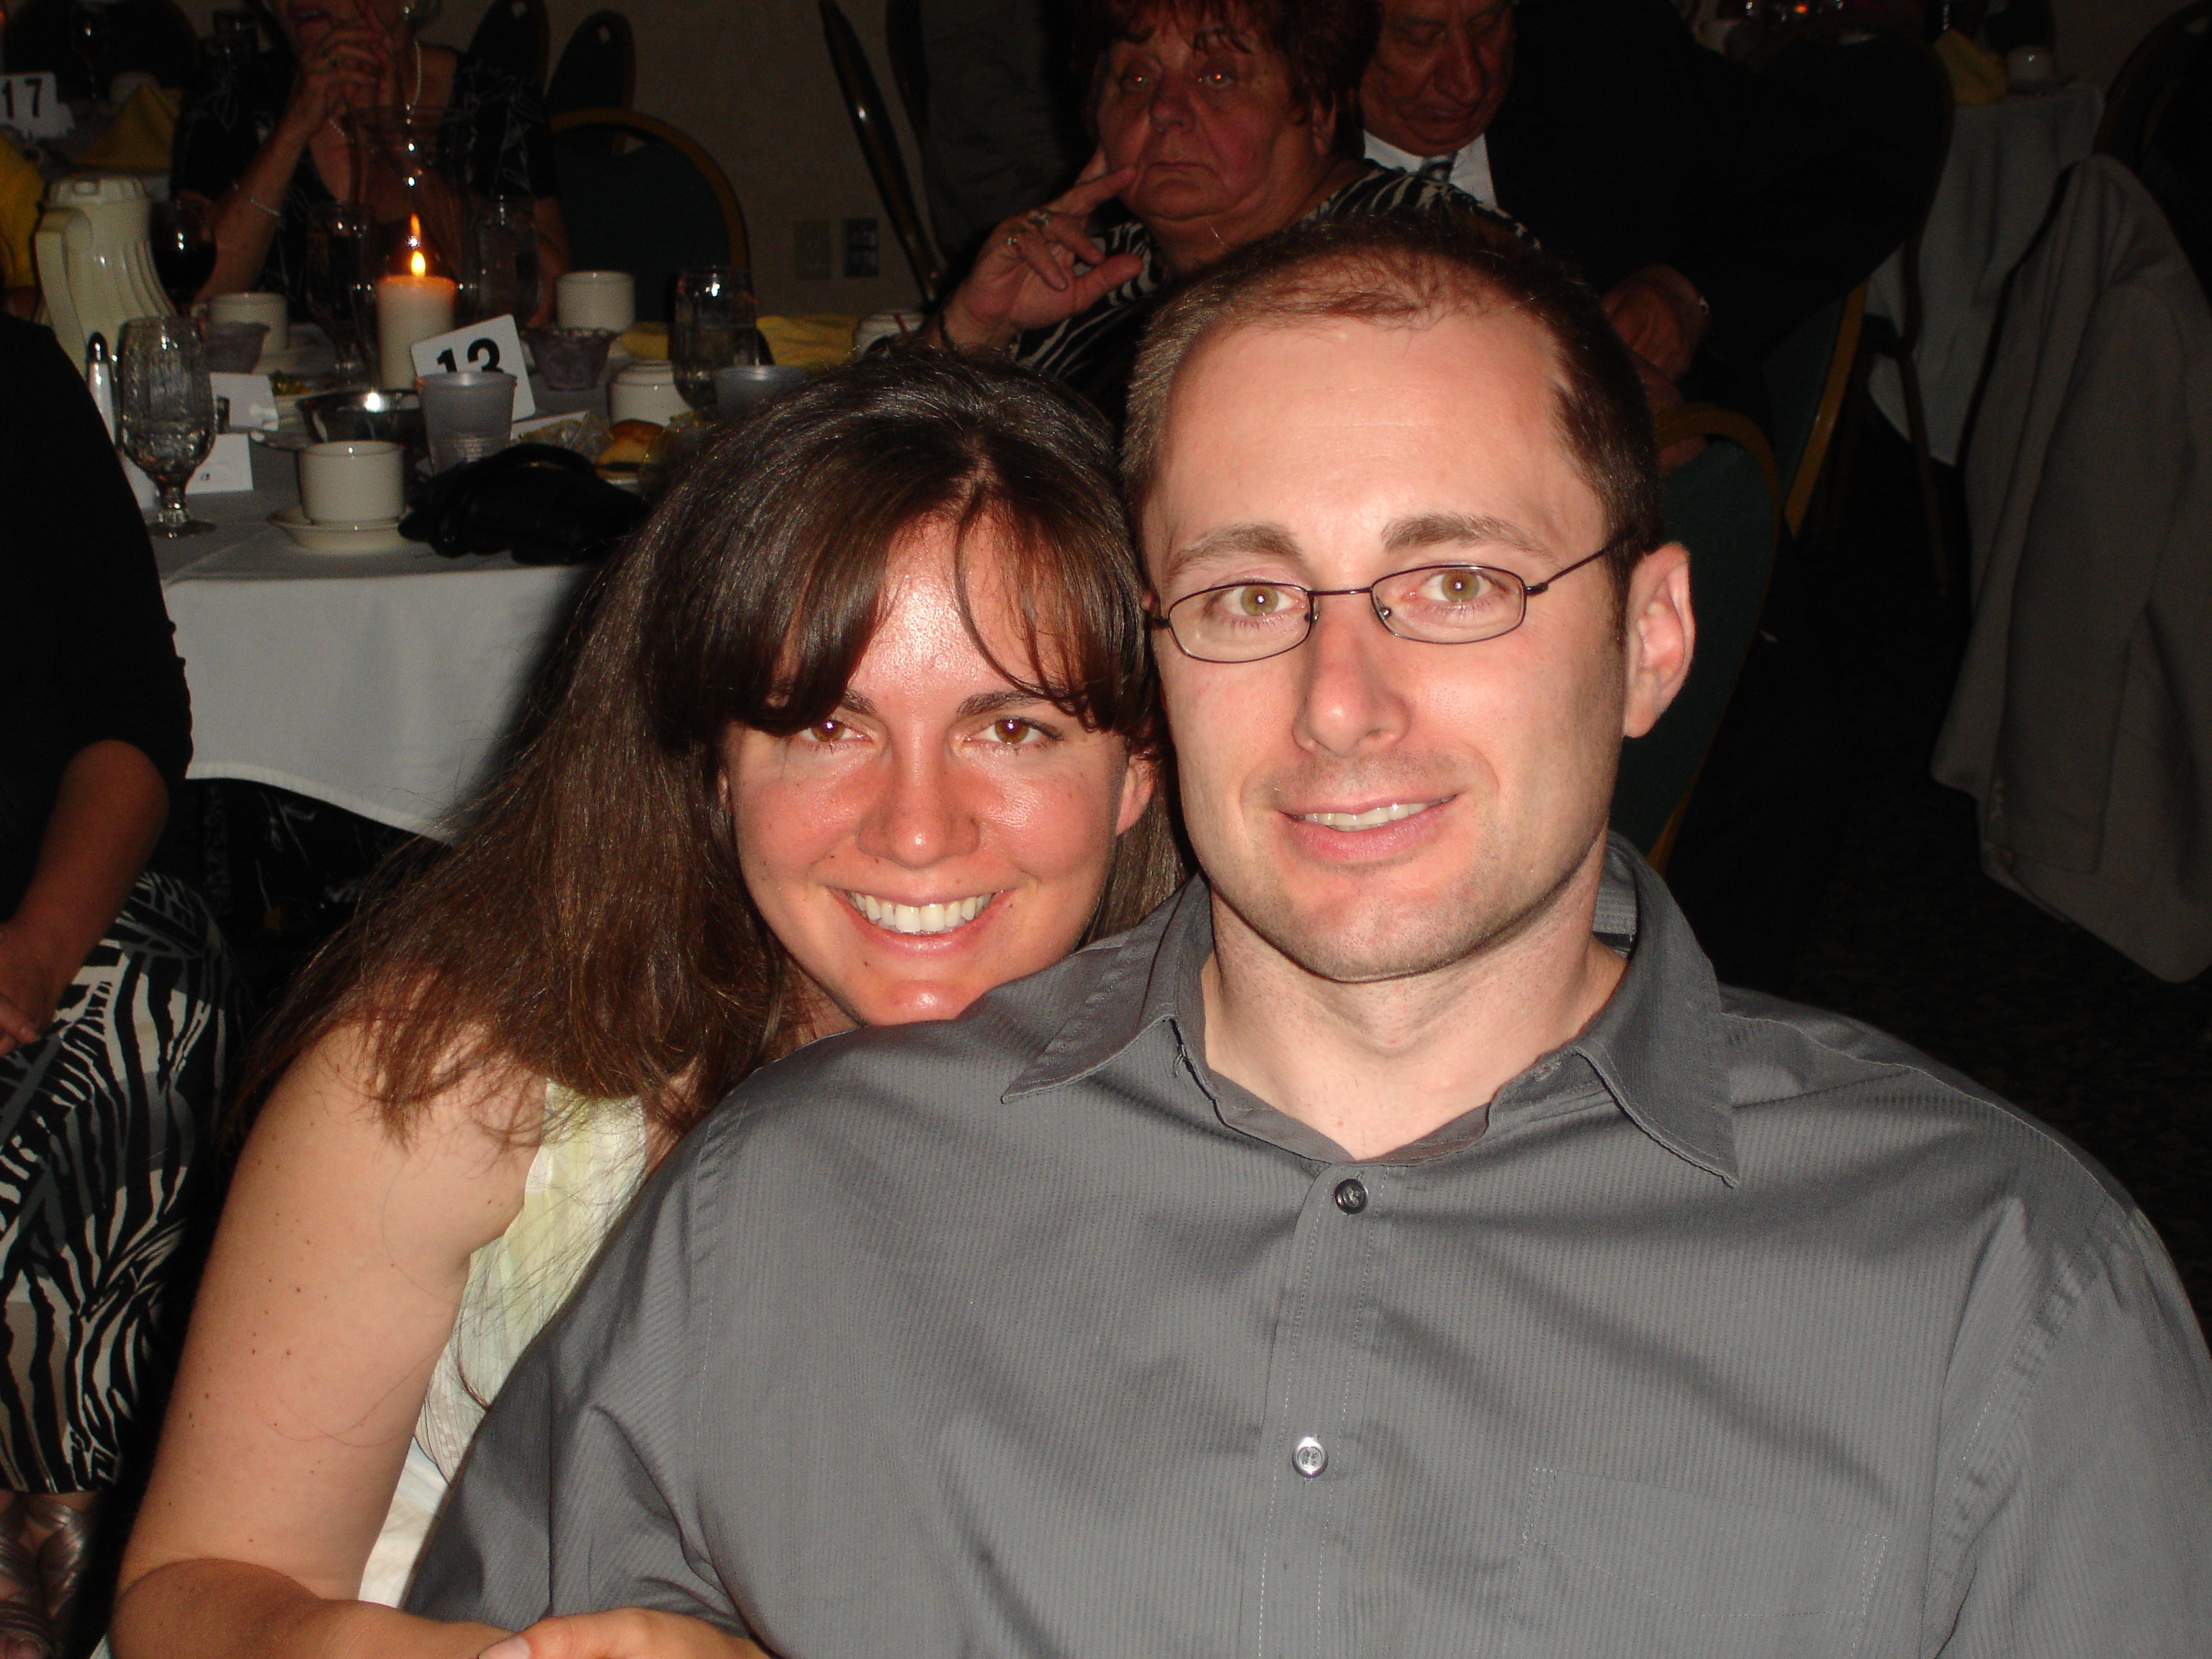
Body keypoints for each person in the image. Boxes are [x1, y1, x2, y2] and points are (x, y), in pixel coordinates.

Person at [408, 214, 2212, 1655]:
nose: (1341, 702)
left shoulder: (1994, 1301)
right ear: (1154, 661)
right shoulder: (793, 1213)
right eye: (1247, 593)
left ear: (1650, 640)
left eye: (1455, 582)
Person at [108, 352, 1178, 1659]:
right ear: (714, 762)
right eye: (826, 725)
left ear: (1137, 769)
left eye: (1011, 729)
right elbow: (196, 1591)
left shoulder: (1233, 1128)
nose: (916, 829)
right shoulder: (462, 1085)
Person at [0, 316, 239, 1659]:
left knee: (144, 1005)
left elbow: (131, 711)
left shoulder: (12, 381)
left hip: (36, 925)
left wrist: (37, 946)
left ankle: (65, 1547)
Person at [929, 0, 1516, 421]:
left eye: (1217, 75)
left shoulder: (1429, 255)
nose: (1165, 108)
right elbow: (892, 485)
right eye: (1136, 77)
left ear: (1316, 106)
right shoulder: (1086, 275)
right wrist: (975, 327)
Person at [1359, 0, 1913, 404]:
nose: (1468, 79)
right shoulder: (1307, 171)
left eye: (1488, 24)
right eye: (1420, 38)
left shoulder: (1610, 63)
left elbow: (1865, 172)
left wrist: (1690, 292)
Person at [170, 0, 569, 317]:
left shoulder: (497, 102)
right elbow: (194, 297)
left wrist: (401, 148)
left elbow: (542, 301)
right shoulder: (228, 97)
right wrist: (291, 132)